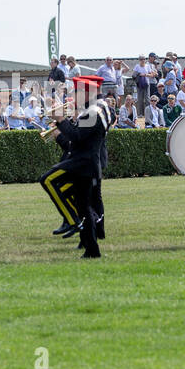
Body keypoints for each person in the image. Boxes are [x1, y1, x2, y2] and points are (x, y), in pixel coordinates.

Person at [39, 75, 112, 258]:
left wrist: (61, 121)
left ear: (87, 93)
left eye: (77, 91)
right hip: (85, 163)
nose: (74, 95)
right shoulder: (93, 109)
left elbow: (76, 136)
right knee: (84, 206)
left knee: (47, 179)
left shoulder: (93, 111)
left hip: (83, 163)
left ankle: (74, 221)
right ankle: (92, 249)